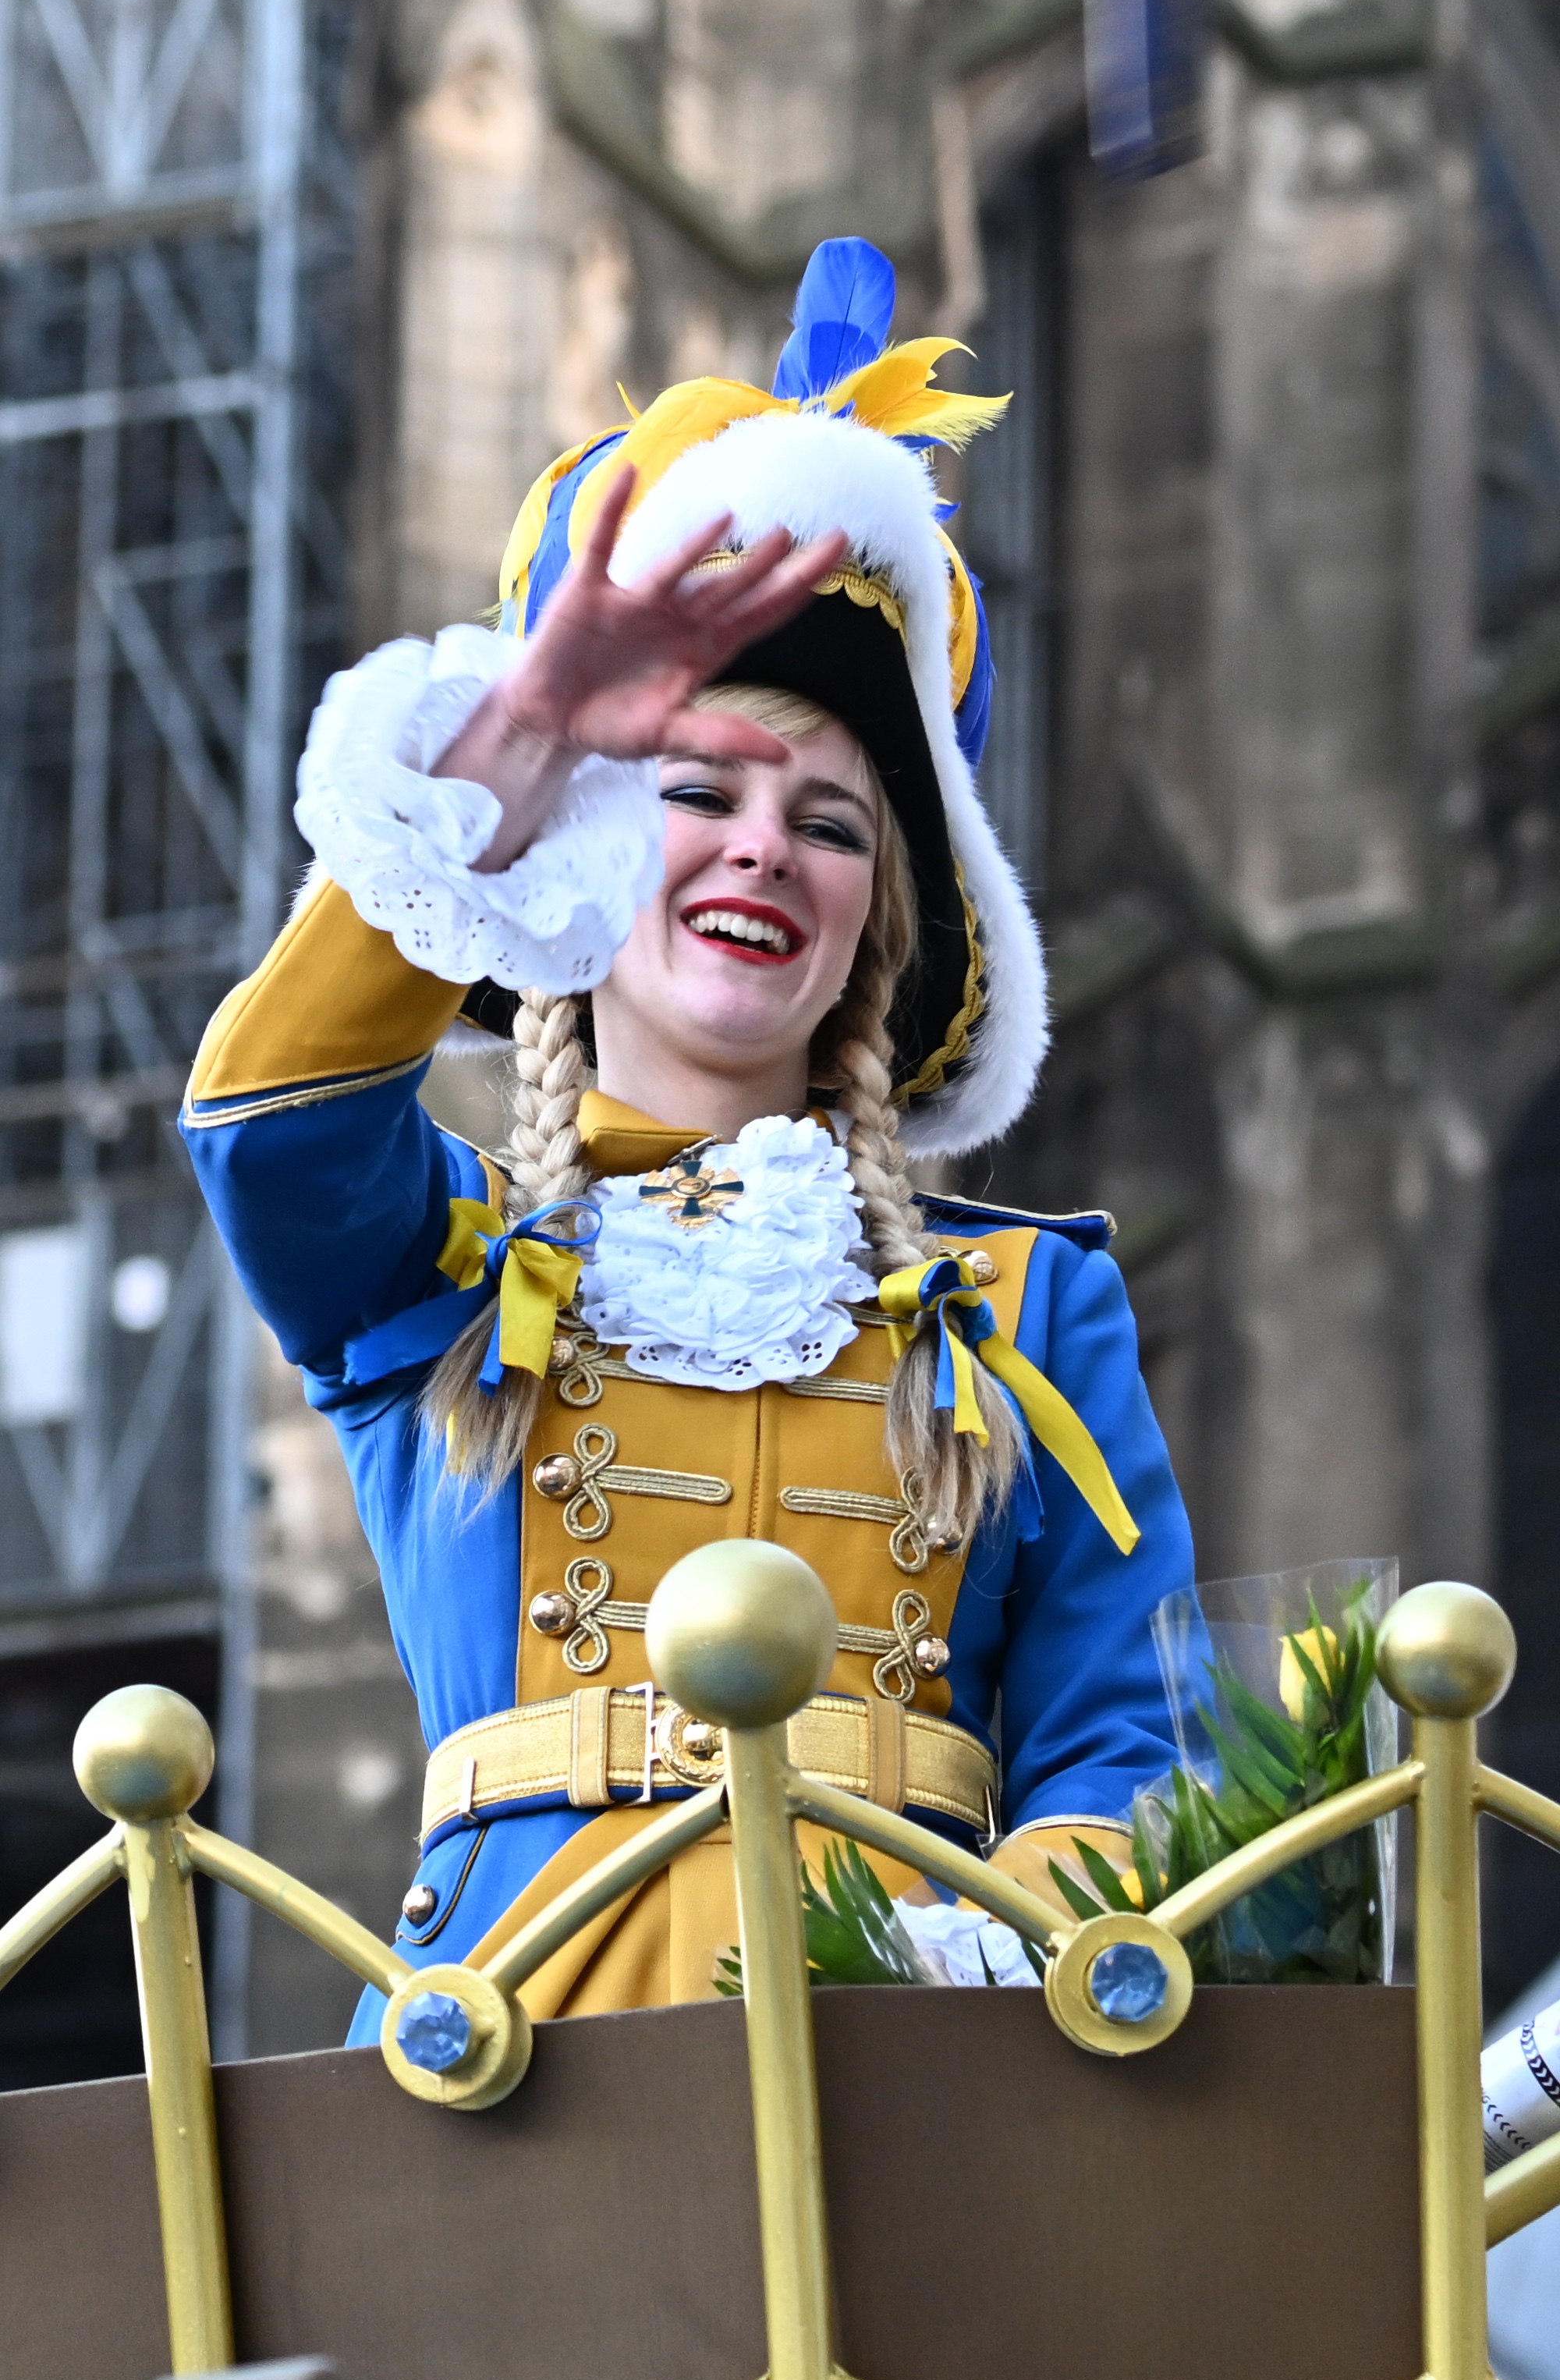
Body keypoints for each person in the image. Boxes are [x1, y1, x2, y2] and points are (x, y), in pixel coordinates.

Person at [183, 236, 1193, 2032]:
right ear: (576, 869)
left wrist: (1005, 1931)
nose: (757, 848)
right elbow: (270, 1126)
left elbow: (1126, 1726)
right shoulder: (443, 1260)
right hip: (513, 2058)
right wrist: (528, 737)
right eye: (693, 790)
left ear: (874, 929)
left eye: (829, 822)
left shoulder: (1032, 1306)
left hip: (918, 2062)